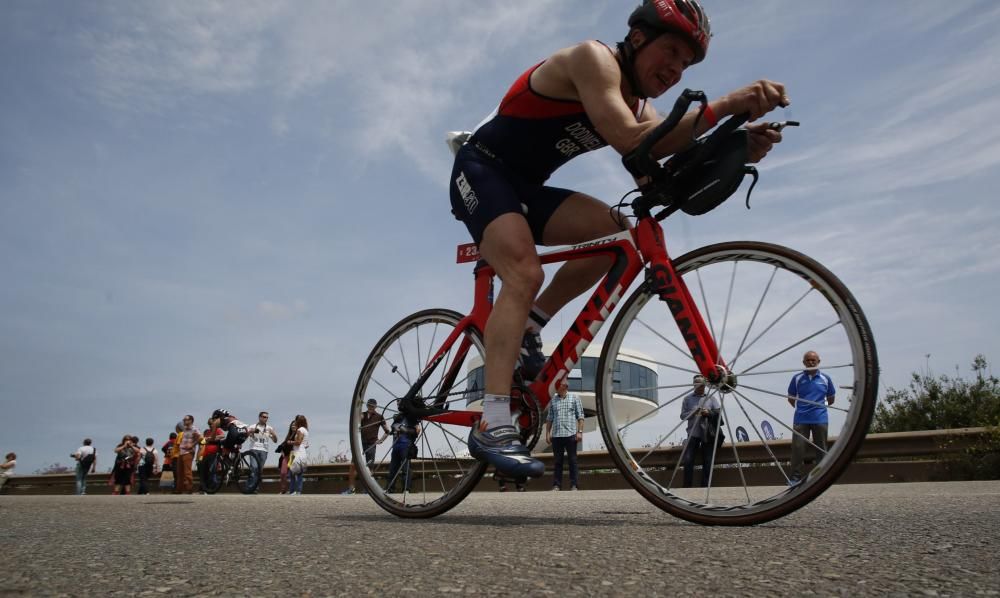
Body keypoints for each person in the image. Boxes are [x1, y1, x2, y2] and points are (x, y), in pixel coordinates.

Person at [449, 0, 788, 480]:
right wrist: (727, 105)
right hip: (481, 168)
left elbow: (656, 164)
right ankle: (494, 420)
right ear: (637, 38)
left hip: (526, 188)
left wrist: (733, 144)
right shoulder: (593, 60)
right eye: (670, 50)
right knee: (524, 271)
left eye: (686, 63)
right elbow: (632, 140)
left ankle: (530, 324)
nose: (675, 68)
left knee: (618, 234)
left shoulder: (641, 105)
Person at [787, 350, 835, 484]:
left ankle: (821, 477)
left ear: (818, 362)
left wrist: (819, 408)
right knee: (797, 449)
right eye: (808, 360)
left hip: (820, 418)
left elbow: (831, 398)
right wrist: (801, 408)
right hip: (801, 418)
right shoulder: (797, 378)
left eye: (813, 360)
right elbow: (791, 397)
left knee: (821, 449)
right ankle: (794, 478)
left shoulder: (825, 379)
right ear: (803, 362)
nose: (811, 362)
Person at [680, 374, 721, 487]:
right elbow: (682, 416)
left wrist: (708, 413)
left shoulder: (711, 398)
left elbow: (719, 414)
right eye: (698, 384)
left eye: (702, 385)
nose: (700, 387)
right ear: (694, 385)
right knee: (688, 461)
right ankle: (687, 487)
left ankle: (705, 486)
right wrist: (693, 412)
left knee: (708, 461)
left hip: (708, 434)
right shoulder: (687, 399)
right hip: (692, 434)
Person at [343, 399, 391, 494]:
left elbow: (387, 431)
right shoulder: (363, 415)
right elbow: (356, 421)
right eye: (369, 406)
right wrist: (360, 414)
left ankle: (369, 490)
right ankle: (351, 489)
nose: (370, 407)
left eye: (372, 406)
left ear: (375, 407)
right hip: (360, 444)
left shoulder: (379, 417)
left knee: (369, 468)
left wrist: (380, 440)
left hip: (371, 444)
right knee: (353, 466)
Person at [545, 379, 585, 491]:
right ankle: (557, 485)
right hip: (557, 436)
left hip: (571, 434)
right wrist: (547, 433)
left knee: (573, 461)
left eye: (558, 385)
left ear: (565, 386)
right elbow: (549, 418)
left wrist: (580, 432)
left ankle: (574, 485)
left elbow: (580, 416)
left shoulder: (575, 398)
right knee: (557, 461)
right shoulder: (553, 400)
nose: (556, 387)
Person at [387, 413, 421, 494]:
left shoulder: (411, 417)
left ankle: (406, 489)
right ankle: (390, 488)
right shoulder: (397, 418)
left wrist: (405, 431)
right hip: (396, 445)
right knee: (393, 468)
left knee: (406, 468)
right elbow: (392, 431)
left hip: (405, 445)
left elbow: (418, 430)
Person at [174, 415, 203, 494]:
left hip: (188, 452)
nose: (184, 421)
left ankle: (189, 489)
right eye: (183, 420)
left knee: (187, 471)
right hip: (181, 451)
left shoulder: (194, 429)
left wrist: (192, 445)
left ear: (191, 420)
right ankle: (179, 489)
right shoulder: (185, 429)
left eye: (185, 419)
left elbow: (201, 437)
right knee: (179, 471)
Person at [246, 411, 278, 480]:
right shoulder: (252, 426)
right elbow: (245, 435)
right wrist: (250, 431)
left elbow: (275, 441)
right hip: (254, 449)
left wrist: (274, 435)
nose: (265, 419)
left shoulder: (269, 428)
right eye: (264, 417)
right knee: (254, 467)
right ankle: (251, 487)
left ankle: (255, 487)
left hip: (264, 450)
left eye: (267, 417)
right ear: (259, 417)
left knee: (260, 470)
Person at [197, 419, 226, 493]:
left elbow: (222, 436)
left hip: (214, 453)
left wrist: (211, 438)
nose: (210, 425)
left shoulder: (217, 430)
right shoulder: (206, 432)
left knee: (212, 470)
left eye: (211, 424)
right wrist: (204, 439)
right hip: (205, 453)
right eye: (209, 424)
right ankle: (205, 488)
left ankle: (212, 487)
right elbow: (202, 442)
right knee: (204, 471)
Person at [287, 415, 310, 495]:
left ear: (298, 422)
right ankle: (297, 490)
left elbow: (298, 442)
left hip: (296, 452)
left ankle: (293, 490)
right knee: (298, 473)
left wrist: (290, 442)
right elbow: (306, 444)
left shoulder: (300, 430)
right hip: (302, 452)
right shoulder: (306, 430)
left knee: (292, 472)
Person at [276, 418, 297, 494]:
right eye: (292, 425)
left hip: (293, 456)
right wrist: (281, 450)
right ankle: (283, 489)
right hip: (286, 456)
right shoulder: (289, 435)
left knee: (292, 473)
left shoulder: (298, 434)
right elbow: (283, 444)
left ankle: (292, 490)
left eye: (295, 425)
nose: (293, 426)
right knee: (283, 473)